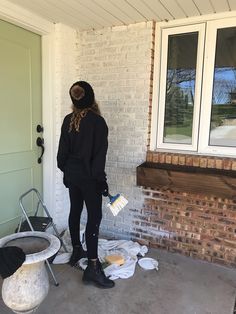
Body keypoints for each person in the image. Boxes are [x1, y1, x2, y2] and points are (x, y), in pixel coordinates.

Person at [57, 81, 114, 289]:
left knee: (75, 211)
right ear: (91, 98)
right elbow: (99, 159)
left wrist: (68, 172)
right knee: (94, 217)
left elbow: (61, 156)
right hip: (89, 178)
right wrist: (101, 182)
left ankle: (77, 250)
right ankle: (92, 267)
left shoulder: (67, 121)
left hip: (73, 176)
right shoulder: (98, 122)